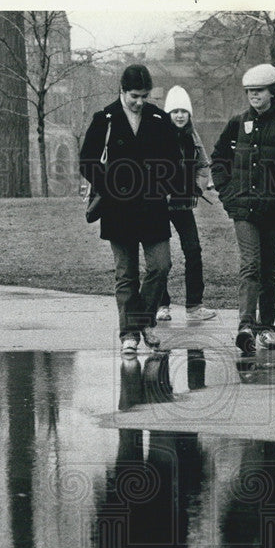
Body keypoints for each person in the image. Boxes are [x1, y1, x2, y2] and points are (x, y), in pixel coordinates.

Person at [80, 64, 184, 357]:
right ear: (122, 91)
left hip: (152, 207)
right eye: (135, 96)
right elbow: (87, 160)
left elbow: (174, 159)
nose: (140, 102)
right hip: (118, 208)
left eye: (145, 96)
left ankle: (143, 322)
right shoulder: (105, 118)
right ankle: (129, 334)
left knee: (161, 265)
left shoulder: (158, 118)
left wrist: (161, 182)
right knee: (126, 274)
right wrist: (110, 184)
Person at [211, 64, 275, 354]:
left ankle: (266, 328)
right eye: (249, 92)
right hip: (242, 209)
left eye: (258, 91)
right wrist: (227, 192)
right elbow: (218, 158)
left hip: (272, 210)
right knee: (250, 264)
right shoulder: (237, 123)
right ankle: (245, 325)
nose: (253, 96)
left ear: (273, 92)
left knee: (268, 268)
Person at [155, 86, 216, 324]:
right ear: (168, 113)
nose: (179, 116)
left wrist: (197, 188)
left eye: (184, 111)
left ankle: (194, 305)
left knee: (193, 250)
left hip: (183, 205)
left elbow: (203, 164)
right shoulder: (158, 135)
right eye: (175, 111)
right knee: (161, 257)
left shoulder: (193, 136)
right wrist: (160, 192)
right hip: (159, 205)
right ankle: (161, 305)